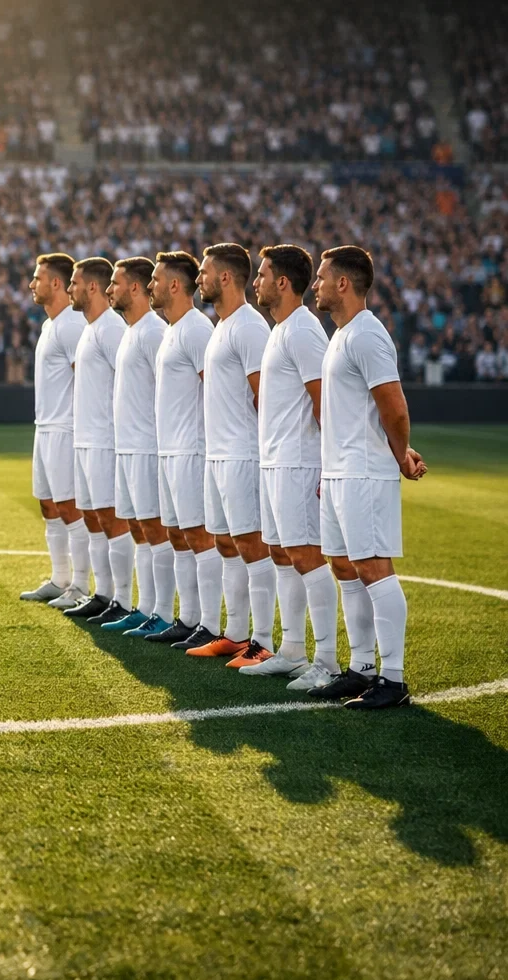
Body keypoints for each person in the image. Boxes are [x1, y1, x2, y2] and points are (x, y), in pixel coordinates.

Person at [306, 245, 426, 709]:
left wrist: (399, 455)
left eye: (321, 277)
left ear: (343, 283)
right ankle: (362, 668)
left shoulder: (368, 335)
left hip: (364, 472)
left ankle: (393, 680)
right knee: (344, 567)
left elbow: (394, 407)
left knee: (375, 568)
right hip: (339, 472)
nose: (316, 285)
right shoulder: (340, 334)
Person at [241, 244, 338, 685]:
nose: (255, 282)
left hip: (299, 462)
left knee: (307, 557)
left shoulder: (303, 330)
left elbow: (325, 402)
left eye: (261, 275)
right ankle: (293, 650)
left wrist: (325, 464)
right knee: (282, 555)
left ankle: (328, 662)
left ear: (282, 282)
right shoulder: (279, 328)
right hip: (275, 460)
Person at [186, 243, 272, 664]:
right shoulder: (221, 325)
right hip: (217, 454)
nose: (198, 278)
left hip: (242, 453)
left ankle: (263, 640)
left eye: (203, 272)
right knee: (224, 542)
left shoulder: (250, 327)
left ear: (224, 277)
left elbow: (266, 396)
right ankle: (236, 635)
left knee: (251, 544)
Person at [144, 252, 217, 649]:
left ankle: (207, 622)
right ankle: (187, 618)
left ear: (175, 284)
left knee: (199, 536)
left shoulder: (195, 329)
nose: (151, 286)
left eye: (156, 280)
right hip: (168, 449)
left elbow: (215, 388)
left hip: (190, 449)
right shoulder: (173, 329)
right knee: (177, 534)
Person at [101, 256, 174, 637]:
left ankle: (163, 612)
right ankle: (146, 608)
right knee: (138, 529)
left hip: (147, 447)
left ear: (134, 287)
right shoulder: (131, 330)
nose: (109, 289)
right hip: (126, 447)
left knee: (154, 530)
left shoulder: (153, 332)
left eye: (114, 282)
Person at [59, 257, 131, 624]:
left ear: (91, 287)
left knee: (111, 518)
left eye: (73, 283)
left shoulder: (111, 328)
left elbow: (128, 381)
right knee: (92, 517)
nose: (68, 289)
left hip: (105, 438)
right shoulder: (90, 327)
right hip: (86, 438)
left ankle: (122, 598)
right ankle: (102, 594)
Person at [18, 253, 90, 608]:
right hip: (44, 426)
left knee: (69, 507)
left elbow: (85, 379)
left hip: (66, 428)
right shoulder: (50, 325)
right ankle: (60, 578)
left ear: (56, 283)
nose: (32, 284)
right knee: (48, 506)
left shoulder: (73, 325)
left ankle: (80, 584)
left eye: (37, 278)